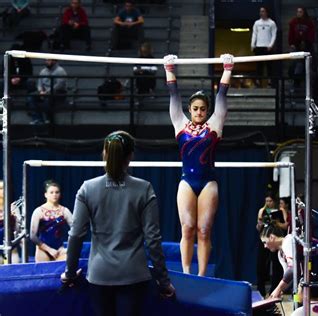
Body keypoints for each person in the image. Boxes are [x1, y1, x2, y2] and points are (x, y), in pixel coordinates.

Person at [61, 131, 175, 315]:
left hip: (100, 275)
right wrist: (164, 282)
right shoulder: (144, 189)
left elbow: (75, 235)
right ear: (130, 156)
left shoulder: (87, 188)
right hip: (133, 276)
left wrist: (70, 273)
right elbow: (153, 239)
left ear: (105, 154)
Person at [164, 53, 233, 276]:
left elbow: (222, 95)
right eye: (195, 109)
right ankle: (186, 272)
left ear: (207, 110)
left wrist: (228, 68)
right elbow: (173, 94)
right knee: (187, 228)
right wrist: (169, 67)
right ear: (190, 109)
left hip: (208, 182)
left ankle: (202, 275)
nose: (199, 112)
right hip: (187, 181)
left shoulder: (214, 124)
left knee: (204, 231)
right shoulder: (180, 124)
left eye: (203, 109)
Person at [260, 224, 318, 302]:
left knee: (305, 295)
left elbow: (292, 269)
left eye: (264, 242)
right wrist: (282, 290)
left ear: (271, 237)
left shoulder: (288, 241)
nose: (265, 246)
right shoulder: (280, 254)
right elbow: (289, 277)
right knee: (302, 296)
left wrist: (278, 289)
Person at [30, 180, 72, 262]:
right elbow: (32, 236)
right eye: (51, 192)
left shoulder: (64, 211)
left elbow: (76, 230)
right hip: (43, 249)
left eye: (57, 192)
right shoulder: (39, 211)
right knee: (44, 273)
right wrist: (49, 250)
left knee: (65, 271)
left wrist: (68, 247)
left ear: (60, 194)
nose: (54, 195)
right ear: (45, 195)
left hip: (60, 249)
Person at [256, 193, 286, 296]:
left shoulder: (280, 210)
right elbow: (258, 227)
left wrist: (276, 222)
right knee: (261, 264)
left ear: (274, 201)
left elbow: (286, 225)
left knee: (276, 265)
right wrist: (260, 220)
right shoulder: (262, 210)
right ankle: (261, 289)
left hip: (274, 238)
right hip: (265, 238)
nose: (268, 203)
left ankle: (275, 288)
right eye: (266, 201)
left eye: (270, 201)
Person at [27, 59, 67, 125]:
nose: (46, 62)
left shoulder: (60, 71)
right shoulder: (43, 71)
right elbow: (39, 83)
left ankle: (49, 119)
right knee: (31, 96)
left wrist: (47, 92)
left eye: (48, 60)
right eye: (46, 60)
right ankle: (38, 119)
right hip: (44, 92)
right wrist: (40, 91)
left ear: (54, 61)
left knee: (48, 98)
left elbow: (59, 85)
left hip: (58, 92)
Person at [251, 6, 277, 87]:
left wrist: (271, 45)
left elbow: (274, 35)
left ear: (267, 12)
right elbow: (254, 34)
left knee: (269, 66)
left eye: (263, 11)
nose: (261, 13)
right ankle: (258, 82)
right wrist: (252, 44)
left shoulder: (271, 23)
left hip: (267, 47)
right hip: (259, 47)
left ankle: (270, 82)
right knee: (259, 66)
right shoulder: (257, 23)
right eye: (260, 11)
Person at [0, 181, 21, 264]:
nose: (3, 190)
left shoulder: (13, 207)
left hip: (11, 248)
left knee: (13, 271)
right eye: (0, 188)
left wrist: (16, 217)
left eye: (4, 188)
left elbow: (18, 228)